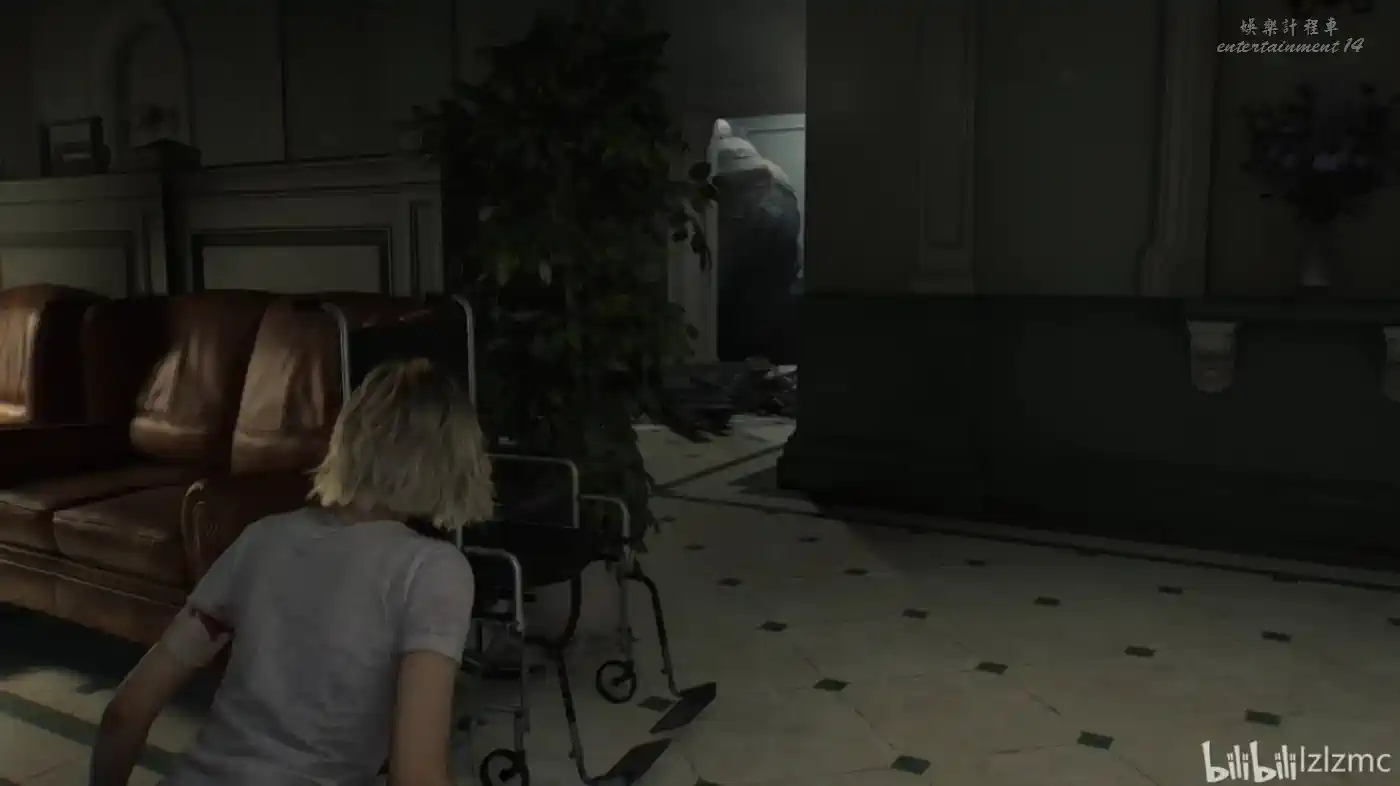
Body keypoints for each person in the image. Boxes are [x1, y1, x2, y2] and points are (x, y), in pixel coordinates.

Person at [89, 358, 495, 786]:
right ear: (456, 460)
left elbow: (125, 711)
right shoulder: (433, 571)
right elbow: (416, 776)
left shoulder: (261, 539)